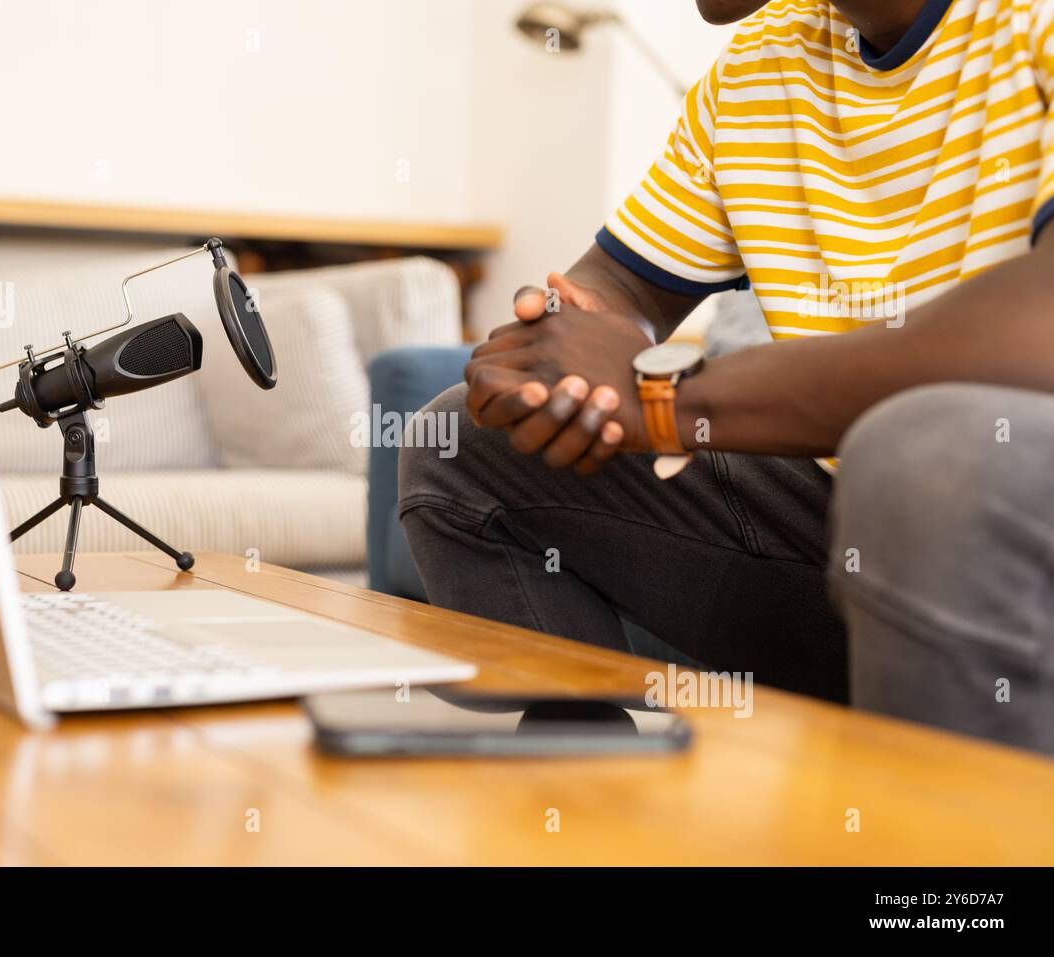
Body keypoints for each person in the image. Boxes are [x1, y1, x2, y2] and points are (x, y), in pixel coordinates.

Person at [399, 0, 1054, 754]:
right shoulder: (763, 60)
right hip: (856, 531)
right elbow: (621, 286)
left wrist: (668, 400)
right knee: (461, 449)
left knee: (918, 461)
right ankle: (582, 817)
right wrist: (558, 347)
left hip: (987, 520)